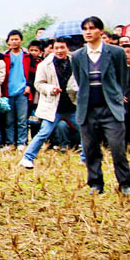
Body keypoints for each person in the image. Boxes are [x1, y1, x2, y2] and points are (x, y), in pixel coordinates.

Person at [70, 16, 130, 195]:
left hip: (110, 108)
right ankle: (96, 184)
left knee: (117, 148)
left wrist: (116, 96)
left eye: (92, 28)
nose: (88, 32)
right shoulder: (77, 56)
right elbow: (80, 81)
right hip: (88, 108)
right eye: (85, 29)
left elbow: (122, 77)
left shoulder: (116, 52)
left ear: (100, 31)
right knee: (90, 149)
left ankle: (125, 184)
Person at [19, 38, 78, 168]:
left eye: (62, 47)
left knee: (85, 130)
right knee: (44, 132)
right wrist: (51, 89)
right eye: (56, 48)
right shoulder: (45, 65)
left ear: (67, 48)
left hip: (72, 104)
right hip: (53, 105)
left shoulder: (75, 62)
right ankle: (27, 158)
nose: (59, 51)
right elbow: (38, 84)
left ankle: (86, 157)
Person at [2, 30, 34, 150]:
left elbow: (32, 73)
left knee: (22, 119)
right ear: (8, 42)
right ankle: (10, 143)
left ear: (21, 41)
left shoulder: (27, 57)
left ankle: (22, 142)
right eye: (12, 39)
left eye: (16, 39)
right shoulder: (5, 57)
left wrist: (29, 85)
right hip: (8, 92)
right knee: (9, 120)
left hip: (22, 92)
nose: (14, 42)